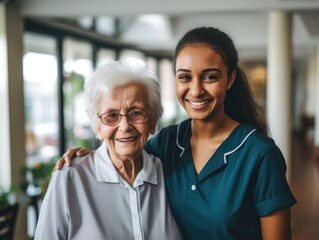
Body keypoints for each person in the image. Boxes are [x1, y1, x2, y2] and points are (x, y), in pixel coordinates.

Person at [56, 27, 297, 240]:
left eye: (210, 77)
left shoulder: (260, 154)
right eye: (184, 77)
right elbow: (124, 154)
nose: (196, 90)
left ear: (230, 78)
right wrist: (88, 157)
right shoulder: (166, 143)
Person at [34, 60, 182, 240]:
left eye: (136, 112)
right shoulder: (70, 177)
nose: (125, 126)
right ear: (98, 127)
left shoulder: (167, 172)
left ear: (152, 122)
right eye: (111, 115)